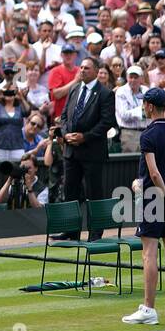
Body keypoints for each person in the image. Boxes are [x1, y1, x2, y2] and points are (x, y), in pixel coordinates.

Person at [122, 88, 165, 325]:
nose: (143, 106)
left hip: (154, 200)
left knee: (149, 254)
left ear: (150, 107)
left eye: (145, 103)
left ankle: (149, 310)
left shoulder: (148, 135)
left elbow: (153, 172)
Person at [58, 55, 114, 240]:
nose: (82, 71)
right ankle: (71, 230)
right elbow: (64, 115)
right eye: (81, 68)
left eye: (86, 68)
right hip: (71, 151)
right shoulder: (74, 89)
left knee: (94, 194)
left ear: (97, 72)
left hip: (92, 152)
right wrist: (66, 134)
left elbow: (106, 122)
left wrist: (84, 137)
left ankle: (95, 232)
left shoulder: (105, 93)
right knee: (70, 192)